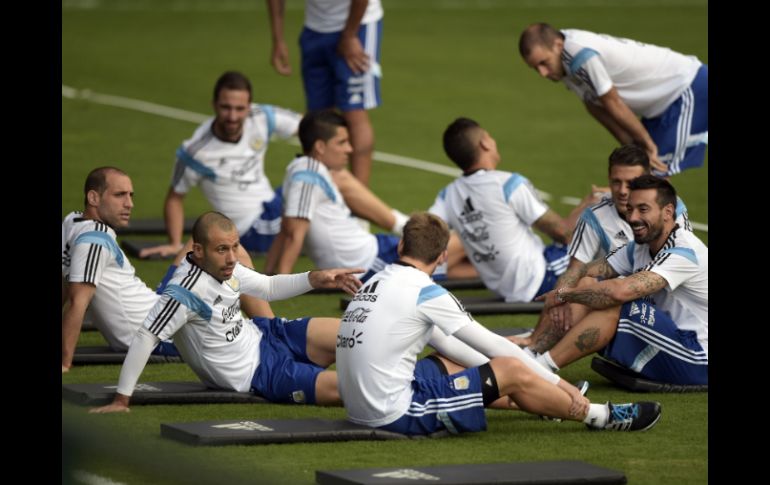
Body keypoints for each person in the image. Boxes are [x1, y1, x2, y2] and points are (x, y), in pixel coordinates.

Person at [335, 212, 662, 435]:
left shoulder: (376, 281)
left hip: (360, 407)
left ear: (401, 246)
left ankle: (543, 401)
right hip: (396, 415)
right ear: (443, 256)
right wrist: (559, 383)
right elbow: (496, 348)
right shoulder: (426, 292)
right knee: (511, 369)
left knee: (457, 362)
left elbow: (448, 344)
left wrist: (538, 381)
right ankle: (598, 415)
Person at [89, 211, 364, 413]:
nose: (232, 257)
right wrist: (121, 399)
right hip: (261, 373)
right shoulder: (185, 291)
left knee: (359, 335)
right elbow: (146, 336)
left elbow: (267, 287)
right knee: (355, 389)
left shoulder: (225, 266)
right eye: (222, 249)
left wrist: (317, 278)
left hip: (270, 334)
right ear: (198, 250)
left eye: (234, 247)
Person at [529, 175, 708, 385]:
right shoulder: (640, 247)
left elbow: (619, 292)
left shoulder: (684, 252)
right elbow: (585, 271)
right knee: (587, 284)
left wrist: (564, 295)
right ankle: (533, 354)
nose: (632, 218)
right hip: (672, 337)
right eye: (630, 209)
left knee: (617, 302)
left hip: (699, 356)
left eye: (643, 209)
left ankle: (540, 370)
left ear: (668, 212)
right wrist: (567, 291)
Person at [265, 110, 475, 281]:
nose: (350, 149)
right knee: (466, 235)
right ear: (320, 147)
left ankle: (491, 271)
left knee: (460, 264)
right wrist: (282, 285)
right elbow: (292, 234)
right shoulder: (308, 178)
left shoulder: (299, 169)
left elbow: (286, 229)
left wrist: (266, 276)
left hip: (375, 252)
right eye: (342, 142)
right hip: (374, 263)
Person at [520, 144, 693, 348]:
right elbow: (574, 269)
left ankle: (542, 356)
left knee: (604, 293)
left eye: (631, 183)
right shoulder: (595, 216)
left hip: (664, 301)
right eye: (616, 182)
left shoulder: (671, 209)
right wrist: (560, 298)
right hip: (619, 297)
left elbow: (678, 270)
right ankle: (535, 348)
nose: (622, 191)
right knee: (584, 281)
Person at [430, 117, 599, 303]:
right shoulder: (509, 184)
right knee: (603, 242)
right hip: (543, 277)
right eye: (489, 136)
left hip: (504, 289)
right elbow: (565, 234)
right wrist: (589, 204)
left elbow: (425, 230)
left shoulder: (447, 195)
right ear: (485, 143)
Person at [139, 70, 302, 260]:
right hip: (252, 230)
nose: (233, 116)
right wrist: (175, 243)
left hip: (272, 204)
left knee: (312, 176)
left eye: (240, 109)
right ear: (214, 105)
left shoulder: (262, 116)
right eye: (226, 107)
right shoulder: (195, 152)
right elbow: (175, 197)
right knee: (313, 189)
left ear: (249, 107)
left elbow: (309, 126)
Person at [519, 23, 708, 177]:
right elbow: (594, 106)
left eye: (543, 63)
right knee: (641, 174)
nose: (542, 73)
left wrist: (647, 144)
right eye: (535, 68)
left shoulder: (579, 54)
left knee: (651, 178)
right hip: (660, 105)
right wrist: (631, 146)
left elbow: (612, 101)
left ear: (558, 45)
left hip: (687, 88)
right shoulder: (562, 62)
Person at [61, 167, 180, 372]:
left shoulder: (73, 221)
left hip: (162, 314)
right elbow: (75, 300)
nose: (129, 204)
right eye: (120, 195)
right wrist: (64, 362)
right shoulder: (94, 239)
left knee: (207, 236)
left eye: (130, 195)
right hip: (159, 333)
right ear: (93, 198)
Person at [267, 0, 382, 186]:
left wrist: (350, 35)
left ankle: (359, 195)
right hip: (315, 28)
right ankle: (321, 190)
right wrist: (278, 38)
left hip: (359, 25)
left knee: (354, 111)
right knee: (318, 119)